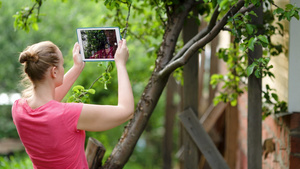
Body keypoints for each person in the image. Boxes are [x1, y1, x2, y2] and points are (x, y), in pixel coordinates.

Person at [11, 39, 134, 169]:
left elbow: (47, 103)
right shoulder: (67, 114)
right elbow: (126, 111)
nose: (63, 69)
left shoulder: (18, 109)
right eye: (62, 65)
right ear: (54, 72)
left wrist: (77, 67)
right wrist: (120, 64)